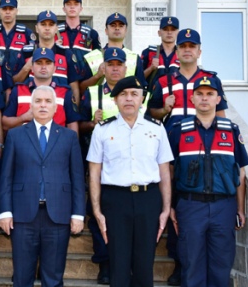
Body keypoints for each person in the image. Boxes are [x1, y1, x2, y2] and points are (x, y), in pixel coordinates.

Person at [146, 28, 227, 284]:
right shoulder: (163, 79)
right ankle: (180, 262)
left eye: (192, 46)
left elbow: (221, 116)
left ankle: (190, 266)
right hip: (174, 144)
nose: (187, 50)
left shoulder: (210, 80)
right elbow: (152, 113)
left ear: (199, 51)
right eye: (183, 46)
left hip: (204, 145)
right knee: (176, 201)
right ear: (177, 52)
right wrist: (164, 108)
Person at [87, 75, 173, 287]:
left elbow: (164, 172)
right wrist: (97, 210)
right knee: (118, 265)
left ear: (142, 98)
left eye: (134, 94)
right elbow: (94, 173)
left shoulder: (156, 128)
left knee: (145, 266)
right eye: (123, 94)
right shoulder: (103, 129)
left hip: (148, 199)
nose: (128, 99)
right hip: (115, 200)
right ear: (115, 100)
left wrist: (165, 209)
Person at [0, 85, 86, 287]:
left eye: (48, 101)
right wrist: (5, 212)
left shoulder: (69, 137)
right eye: (38, 101)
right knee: (21, 277)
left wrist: (78, 214)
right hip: (22, 216)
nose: (43, 105)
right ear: (31, 106)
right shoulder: (15, 135)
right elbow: (6, 177)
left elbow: (77, 177)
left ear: (56, 107)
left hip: (58, 215)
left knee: (53, 278)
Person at [168, 76, 248, 287]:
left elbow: (240, 172)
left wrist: (240, 209)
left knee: (221, 267)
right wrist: (170, 206)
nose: (204, 98)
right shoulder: (178, 130)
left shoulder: (231, 130)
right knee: (191, 265)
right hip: (190, 205)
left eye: (210, 94)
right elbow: (168, 171)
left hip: (224, 206)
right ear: (192, 98)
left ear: (218, 99)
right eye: (200, 94)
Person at [77, 47, 130, 284]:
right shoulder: (91, 92)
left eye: (119, 64)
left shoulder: (137, 92)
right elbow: (78, 125)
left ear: (125, 68)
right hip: (99, 163)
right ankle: (105, 265)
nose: (115, 68)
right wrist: (92, 122)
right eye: (111, 64)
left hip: (127, 163)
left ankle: (124, 265)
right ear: (104, 67)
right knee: (98, 215)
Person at [2, 47, 80, 134]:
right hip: (25, 144)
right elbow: (5, 124)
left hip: (56, 145)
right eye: (39, 63)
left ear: (54, 68)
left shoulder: (65, 93)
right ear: (32, 67)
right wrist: (23, 118)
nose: (43, 67)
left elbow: (73, 129)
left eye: (48, 63)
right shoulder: (18, 90)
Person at [12, 10, 82, 104]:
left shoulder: (66, 53)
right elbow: (14, 82)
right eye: (43, 24)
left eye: (51, 24)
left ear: (56, 28)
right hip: (30, 110)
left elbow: (74, 88)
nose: (47, 28)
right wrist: (26, 68)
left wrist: (74, 113)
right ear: (37, 28)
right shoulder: (27, 52)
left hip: (60, 110)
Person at [78, 12, 146, 95]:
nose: (117, 28)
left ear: (126, 31)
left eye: (121, 26)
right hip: (98, 106)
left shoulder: (135, 58)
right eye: (113, 25)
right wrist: (97, 76)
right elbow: (81, 89)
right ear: (106, 31)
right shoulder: (92, 57)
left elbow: (141, 89)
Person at [0, 0, 36, 78]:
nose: (7, 12)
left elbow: (33, 59)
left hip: (20, 81)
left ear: (16, 11)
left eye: (11, 9)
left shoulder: (26, 32)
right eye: (4, 9)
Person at [57, 0, 101, 67]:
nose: (72, 7)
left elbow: (98, 63)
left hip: (85, 78)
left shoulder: (91, 34)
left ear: (81, 8)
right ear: (64, 9)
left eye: (76, 4)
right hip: (61, 76)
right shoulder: (55, 32)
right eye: (68, 4)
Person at [141, 16, 180, 94]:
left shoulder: (183, 54)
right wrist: (151, 68)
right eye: (165, 29)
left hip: (177, 100)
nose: (169, 32)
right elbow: (137, 80)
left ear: (178, 33)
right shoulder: (149, 52)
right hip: (153, 101)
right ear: (159, 33)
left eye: (173, 29)